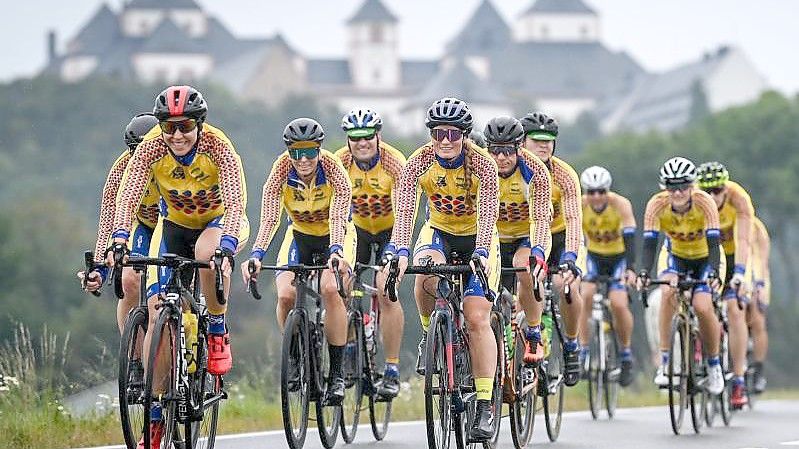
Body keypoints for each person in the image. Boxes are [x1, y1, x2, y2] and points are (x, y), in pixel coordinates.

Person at [109, 86, 249, 449]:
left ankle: (217, 331)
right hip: (172, 228)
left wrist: (228, 247)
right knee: (156, 316)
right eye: (168, 127)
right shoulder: (152, 147)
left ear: (199, 124)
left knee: (207, 254)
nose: (177, 135)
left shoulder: (219, 147)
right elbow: (127, 197)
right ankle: (155, 420)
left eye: (185, 126)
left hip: (218, 222)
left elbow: (236, 202)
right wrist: (121, 239)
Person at [383, 97, 500, 441]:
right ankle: (428, 336)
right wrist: (400, 251)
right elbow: (405, 212)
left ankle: (484, 404)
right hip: (439, 232)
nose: (445, 140)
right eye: (438, 133)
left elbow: (490, 210)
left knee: (477, 317)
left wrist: (480, 251)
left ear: (464, 134)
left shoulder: (483, 164)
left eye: (452, 133)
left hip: (478, 235)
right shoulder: (418, 162)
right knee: (422, 276)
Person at [242, 118, 356, 405]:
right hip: (300, 235)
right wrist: (256, 254)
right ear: (288, 152)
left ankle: (338, 373)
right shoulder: (280, 170)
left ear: (319, 149)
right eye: (296, 152)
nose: (303, 159)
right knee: (285, 295)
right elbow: (270, 218)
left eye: (309, 152)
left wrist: (335, 251)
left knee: (330, 289)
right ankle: (294, 356)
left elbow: (339, 216)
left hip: (336, 235)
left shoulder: (334, 171)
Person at [637, 157, 725, 395]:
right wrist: (644, 272)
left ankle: (714, 365)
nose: (678, 192)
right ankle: (665, 363)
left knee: (703, 305)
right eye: (672, 187)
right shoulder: (656, 205)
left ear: (693, 185)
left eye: (684, 186)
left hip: (706, 258)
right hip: (675, 255)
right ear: (664, 187)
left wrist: (715, 272)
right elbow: (649, 246)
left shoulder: (705, 202)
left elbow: (715, 243)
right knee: (666, 292)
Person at [334, 109, 406, 398]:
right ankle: (351, 346)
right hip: (358, 231)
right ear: (348, 141)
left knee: (385, 290)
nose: (362, 143)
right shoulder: (340, 163)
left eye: (367, 137)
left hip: (391, 230)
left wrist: (395, 249)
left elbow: (404, 212)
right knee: (341, 284)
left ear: (379, 136)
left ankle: (391, 368)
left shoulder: (394, 163)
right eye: (355, 138)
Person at [520, 111, 584, 386]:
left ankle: (571, 345)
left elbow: (572, 219)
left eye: (548, 141)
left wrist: (570, 258)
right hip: (526, 236)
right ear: (522, 142)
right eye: (536, 140)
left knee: (564, 286)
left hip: (558, 237)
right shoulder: (513, 167)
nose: (543, 145)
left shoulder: (564, 175)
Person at [483, 116, 552, 365]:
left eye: (508, 151)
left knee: (525, 267)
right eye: (495, 151)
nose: (501, 158)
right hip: (492, 237)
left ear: (519, 148)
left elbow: (542, 218)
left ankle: (534, 331)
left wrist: (539, 253)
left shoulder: (535, 170)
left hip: (525, 236)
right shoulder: (479, 167)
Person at [696, 161, 754, 408]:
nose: (712, 196)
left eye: (717, 190)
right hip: (708, 257)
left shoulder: (739, 199)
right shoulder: (696, 199)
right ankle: (700, 343)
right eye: (707, 190)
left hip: (734, 258)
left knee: (734, 308)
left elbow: (743, 240)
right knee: (698, 299)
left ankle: (739, 379)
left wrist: (739, 274)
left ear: (726, 188)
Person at [577, 166, 638, 386]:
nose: (596, 197)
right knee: (586, 294)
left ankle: (626, 353)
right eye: (591, 192)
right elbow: (574, 234)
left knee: (618, 303)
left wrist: (630, 269)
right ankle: (583, 350)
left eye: (601, 191)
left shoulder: (620, 205)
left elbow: (631, 238)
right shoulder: (581, 204)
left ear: (607, 190)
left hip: (618, 258)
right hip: (593, 257)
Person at [746, 215, 770, 393]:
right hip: (730, 272)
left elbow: (760, 260)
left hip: (756, 275)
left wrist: (758, 284)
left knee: (757, 319)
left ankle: (759, 369)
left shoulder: (756, 227)